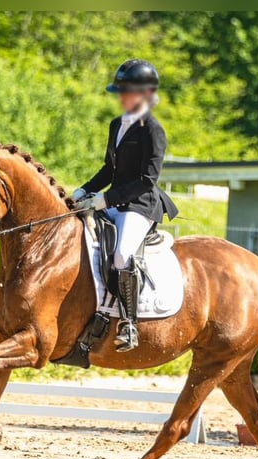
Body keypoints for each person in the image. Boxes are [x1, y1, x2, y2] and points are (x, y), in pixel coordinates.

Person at [72, 58, 179, 352]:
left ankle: (129, 324)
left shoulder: (153, 130)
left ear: (144, 93)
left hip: (140, 206)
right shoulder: (117, 124)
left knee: (121, 254)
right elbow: (110, 169)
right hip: (114, 202)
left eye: (126, 91)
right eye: (119, 91)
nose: (120, 96)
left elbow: (147, 180)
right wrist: (84, 190)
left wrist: (104, 199)